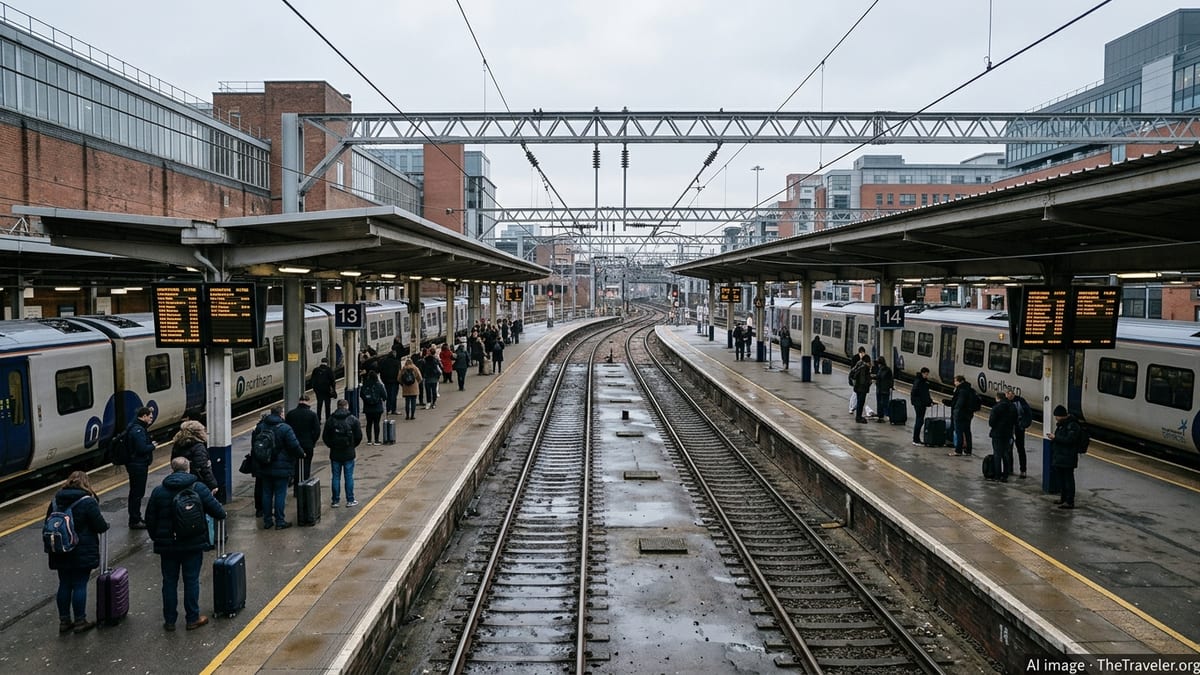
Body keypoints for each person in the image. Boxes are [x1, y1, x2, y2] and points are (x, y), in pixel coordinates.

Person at [146, 456, 226, 631]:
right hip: (193, 543)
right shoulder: (198, 488)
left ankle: (170, 621)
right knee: (191, 581)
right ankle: (192, 618)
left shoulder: (159, 491)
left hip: (167, 546)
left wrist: (158, 538)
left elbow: (150, 519)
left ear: (172, 469)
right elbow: (219, 512)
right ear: (188, 469)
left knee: (169, 582)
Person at [47, 471, 109, 633]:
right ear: (86, 483)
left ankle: (64, 621)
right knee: (79, 584)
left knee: (64, 584)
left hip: (60, 549)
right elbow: (100, 526)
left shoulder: (55, 501)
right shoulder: (88, 501)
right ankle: (80, 621)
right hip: (82, 549)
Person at [252, 406, 303, 530]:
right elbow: (294, 445)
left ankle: (267, 521)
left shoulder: (261, 427)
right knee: (280, 494)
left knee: (266, 493)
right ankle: (280, 521)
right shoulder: (285, 428)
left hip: (265, 465)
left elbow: (255, 446)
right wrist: (302, 454)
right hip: (282, 467)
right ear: (281, 414)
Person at [322, 399, 363, 508]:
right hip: (349, 453)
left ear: (337, 406)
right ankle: (350, 499)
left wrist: (331, 446)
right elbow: (359, 436)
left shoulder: (331, 420)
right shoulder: (353, 419)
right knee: (349, 476)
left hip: (335, 453)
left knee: (335, 477)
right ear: (347, 406)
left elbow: (325, 437)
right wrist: (352, 446)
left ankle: (335, 501)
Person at [124, 406, 156, 529]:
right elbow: (141, 448)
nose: (151, 419)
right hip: (138, 465)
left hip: (136, 464)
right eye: (150, 417)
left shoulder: (135, 426)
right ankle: (134, 520)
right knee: (137, 493)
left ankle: (136, 517)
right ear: (144, 416)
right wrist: (152, 446)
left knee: (136, 493)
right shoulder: (138, 430)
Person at [1047, 405, 1083, 509]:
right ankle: (1063, 498)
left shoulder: (1072, 426)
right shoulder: (1062, 425)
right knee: (1062, 480)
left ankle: (1070, 501)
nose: (1056, 418)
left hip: (1068, 457)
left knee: (1068, 480)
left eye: (1057, 416)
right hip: (1061, 457)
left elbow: (1069, 440)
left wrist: (1055, 438)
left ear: (1062, 415)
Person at [170, 420, 218, 494]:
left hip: (179, 480)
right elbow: (203, 468)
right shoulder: (198, 447)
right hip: (196, 482)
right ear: (198, 433)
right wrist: (213, 485)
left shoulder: (177, 445)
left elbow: (173, 462)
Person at [286, 394, 320, 484]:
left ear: (299, 401)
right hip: (307, 444)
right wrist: (312, 441)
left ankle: (296, 486)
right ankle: (305, 486)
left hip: (293, 445)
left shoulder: (290, 414)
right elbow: (317, 431)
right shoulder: (312, 415)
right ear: (308, 402)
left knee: (295, 465)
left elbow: (286, 430)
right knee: (306, 465)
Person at [988, 391, 1018, 481]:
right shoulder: (1012, 407)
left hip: (997, 434)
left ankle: (997, 476)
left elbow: (991, 422)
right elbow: (1015, 420)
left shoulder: (996, 408)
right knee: (1006, 454)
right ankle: (1005, 475)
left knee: (997, 454)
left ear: (997, 398)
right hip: (1008, 433)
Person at [948, 375, 978, 457]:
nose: (954, 383)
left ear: (961, 381)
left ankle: (958, 451)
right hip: (969, 415)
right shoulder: (971, 390)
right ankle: (968, 450)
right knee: (967, 432)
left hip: (960, 415)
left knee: (959, 432)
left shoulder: (961, 391)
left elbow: (959, 404)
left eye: (956, 381)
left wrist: (955, 413)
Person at [1006, 390, 1032, 478]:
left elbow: (1028, 414)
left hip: (1018, 428)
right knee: (1009, 449)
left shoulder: (1021, 401)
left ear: (1013, 394)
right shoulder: (1006, 402)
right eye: (1007, 394)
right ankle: (1009, 469)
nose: (1009, 396)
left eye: (1010, 394)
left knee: (1020, 448)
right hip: (1010, 428)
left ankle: (1023, 470)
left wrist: (1023, 425)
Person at [359, 371, 387, 444]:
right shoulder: (379, 385)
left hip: (368, 408)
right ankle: (376, 440)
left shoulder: (365, 385)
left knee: (369, 424)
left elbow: (361, 395)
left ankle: (369, 440)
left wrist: (366, 400)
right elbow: (385, 396)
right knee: (376, 424)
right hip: (377, 408)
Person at [910, 367, 934, 445]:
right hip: (919, 404)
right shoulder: (920, 382)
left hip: (919, 403)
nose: (926, 376)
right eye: (926, 374)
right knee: (919, 421)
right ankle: (916, 439)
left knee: (919, 421)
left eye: (927, 374)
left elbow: (925, 394)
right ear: (922, 373)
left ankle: (916, 439)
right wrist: (929, 402)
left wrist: (929, 401)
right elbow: (923, 394)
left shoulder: (921, 381)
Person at [310, 358, 337, 424]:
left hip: (319, 391)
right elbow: (333, 381)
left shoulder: (316, 370)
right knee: (327, 405)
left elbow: (312, 380)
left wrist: (315, 389)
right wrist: (333, 390)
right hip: (327, 391)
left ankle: (318, 419)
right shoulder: (329, 370)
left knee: (319, 405)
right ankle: (328, 419)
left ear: (321, 362)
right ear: (327, 363)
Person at [849, 353, 873, 423]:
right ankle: (858, 417)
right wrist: (869, 382)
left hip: (857, 387)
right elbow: (863, 380)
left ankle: (858, 416)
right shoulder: (864, 368)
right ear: (867, 361)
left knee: (859, 402)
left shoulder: (858, 365)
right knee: (860, 403)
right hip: (862, 388)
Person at [378, 350, 401, 416]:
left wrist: (383, 380)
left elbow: (381, 371)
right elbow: (399, 372)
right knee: (394, 396)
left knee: (388, 395)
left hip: (387, 382)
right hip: (395, 382)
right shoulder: (397, 362)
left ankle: (388, 409)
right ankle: (393, 410)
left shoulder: (384, 362)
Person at [873, 357, 894, 423]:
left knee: (883, 403)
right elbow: (891, 379)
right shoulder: (887, 369)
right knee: (883, 403)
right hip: (883, 389)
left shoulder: (883, 370)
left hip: (882, 389)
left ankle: (885, 415)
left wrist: (873, 377)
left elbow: (879, 377)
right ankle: (882, 416)